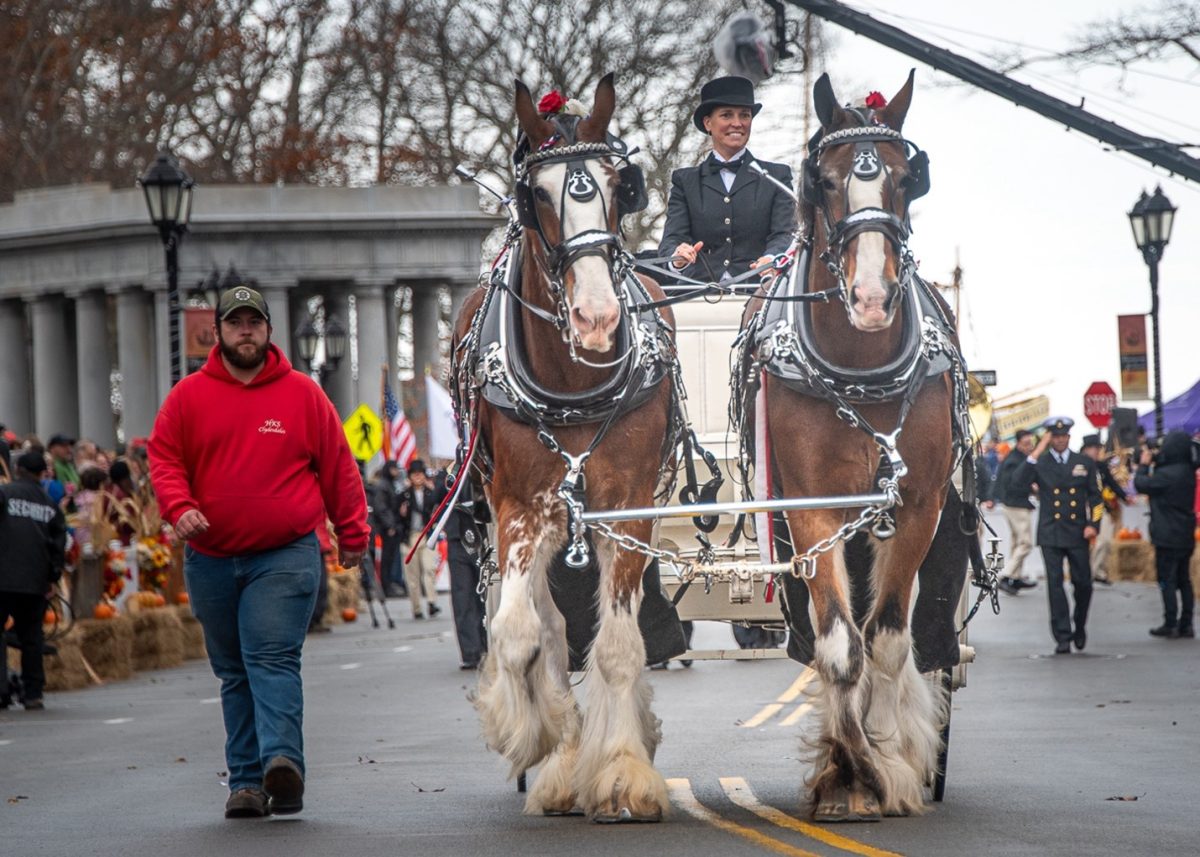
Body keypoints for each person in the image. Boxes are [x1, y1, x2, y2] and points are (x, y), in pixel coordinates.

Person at [148, 285, 368, 819]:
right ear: (219, 332)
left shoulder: (303, 394)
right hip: (211, 557)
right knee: (233, 671)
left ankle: (281, 764)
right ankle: (245, 783)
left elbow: (339, 465)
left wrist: (352, 532)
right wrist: (179, 508)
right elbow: (164, 460)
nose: (245, 330)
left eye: (254, 321)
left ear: (268, 330)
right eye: (234, 322)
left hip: (284, 554)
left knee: (269, 658)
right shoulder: (187, 397)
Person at [658, 76, 796, 286]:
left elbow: (784, 234)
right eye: (726, 115)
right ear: (708, 123)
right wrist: (678, 256)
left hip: (758, 290)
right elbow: (672, 240)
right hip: (697, 293)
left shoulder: (777, 176)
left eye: (745, 115)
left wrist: (772, 257)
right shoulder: (685, 181)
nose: (737, 123)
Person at [1013, 417, 1102, 654]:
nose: (1060, 440)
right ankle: (1062, 635)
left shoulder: (1083, 462)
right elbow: (1017, 483)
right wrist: (1036, 451)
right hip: (1051, 531)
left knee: (1083, 583)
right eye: (1055, 436)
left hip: (1078, 531)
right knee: (1055, 585)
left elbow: (1096, 497)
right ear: (1050, 438)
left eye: (1064, 436)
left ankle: (1079, 625)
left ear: (1069, 437)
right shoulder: (1040, 463)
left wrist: (1094, 524)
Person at [0, 450, 67, 711]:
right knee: (32, 637)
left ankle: (1, 691)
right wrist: (53, 577)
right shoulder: (49, 505)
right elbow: (58, 544)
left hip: (3, 576)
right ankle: (33, 693)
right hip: (35, 579)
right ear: (42, 474)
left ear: (18, 470)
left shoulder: (5, 494)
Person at [1133, 430, 1197, 639]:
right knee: (1184, 579)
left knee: (1166, 579)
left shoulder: (1167, 475)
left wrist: (1143, 465)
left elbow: (1141, 484)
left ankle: (1170, 622)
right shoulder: (1187, 470)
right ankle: (1186, 623)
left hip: (1167, 534)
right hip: (1185, 532)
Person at [435, 472, 488, 669]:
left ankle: (488, 647)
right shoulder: (447, 475)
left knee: (486, 594)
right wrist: (448, 476)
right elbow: (434, 500)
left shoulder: (481, 468)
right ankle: (471, 652)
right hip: (457, 538)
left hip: (481, 536)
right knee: (462, 596)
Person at [992, 429, 1039, 594]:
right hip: (1016, 505)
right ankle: (1007, 575)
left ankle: (1015, 578)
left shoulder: (1015, 458)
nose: (1029, 447)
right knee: (1025, 543)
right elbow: (1013, 483)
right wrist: (1031, 487)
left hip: (1012, 504)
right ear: (1018, 443)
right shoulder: (1015, 460)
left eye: (1030, 443)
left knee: (1017, 542)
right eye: (1026, 444)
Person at [1080, 433, 1128, 585]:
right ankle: (1090, 572)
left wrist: (1125, 497)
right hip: (1082, 507)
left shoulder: (1101, 466)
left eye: (1097, 448)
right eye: (1093, 448)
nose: (1096, 451)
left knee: (1104, 540)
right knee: (1084, 544)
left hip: (1101, 507)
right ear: (1085, 450)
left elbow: (1112, 483)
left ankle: (1095, 571)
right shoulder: (1078, 465)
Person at [399, 459, 440, 620]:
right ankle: (416, 607)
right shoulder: (403, 494)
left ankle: (431, 602)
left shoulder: (431, 493)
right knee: (412, 575)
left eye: (420, 474)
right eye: (414, 474)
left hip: (426, 534)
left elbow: (438, 506)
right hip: (410, 537)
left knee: (429, 569)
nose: (418, 477)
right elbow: (394, 514)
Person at [368, 461, 406, 598]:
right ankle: (386, 585)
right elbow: (381, 508)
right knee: (386, 559)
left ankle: (390, 583)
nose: (397, 472)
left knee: (391, 558)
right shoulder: (383, 486)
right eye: (394, 469)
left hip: (393, 525)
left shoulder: (391, 484)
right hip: (386, 529)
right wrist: (389, 525)